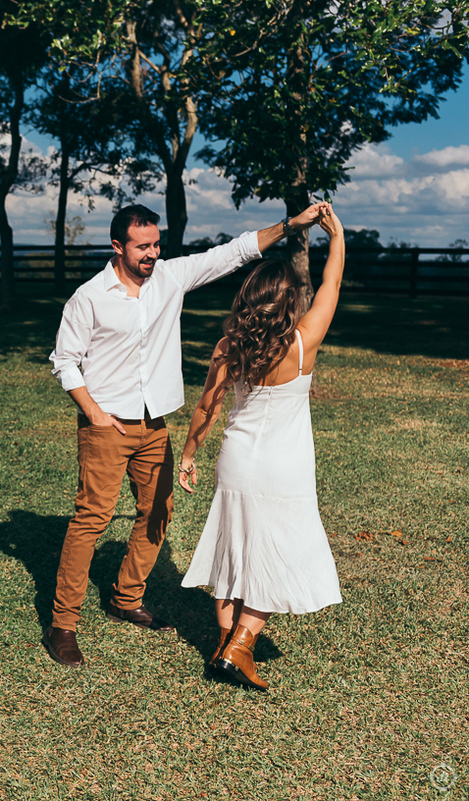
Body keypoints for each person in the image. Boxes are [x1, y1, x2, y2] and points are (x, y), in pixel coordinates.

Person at [43, 202, 330, 668]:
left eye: (157, 244)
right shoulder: (89, 297)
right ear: (117, 247)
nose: (153, 253)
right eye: (143, 246)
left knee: (157, 511)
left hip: (154, 424)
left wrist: (290, 226)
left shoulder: (170, 278)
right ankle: (63, 624)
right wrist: (93, 414)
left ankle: (126, 597)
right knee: (91, 519)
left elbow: (233, 252)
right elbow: (65, 360)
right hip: (106, 425)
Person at [176, 206, 345, 691]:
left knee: (233, 552)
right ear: (289, 302)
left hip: (236, 462)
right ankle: (241, 645)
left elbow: (206, 408)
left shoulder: (230, 346)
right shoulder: (302, 343)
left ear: (248, 299)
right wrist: (338, 241)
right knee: (278, 555)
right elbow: (330, 286)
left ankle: (224, 644)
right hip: (283, 469)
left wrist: (189, 454)